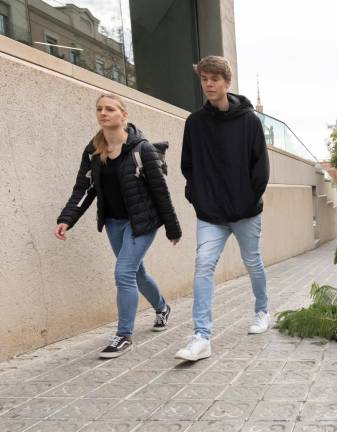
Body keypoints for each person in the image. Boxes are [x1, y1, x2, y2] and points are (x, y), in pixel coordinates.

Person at [55, 94, 182, 359]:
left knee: (123, 272)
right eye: (99, 109)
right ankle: (162, 307)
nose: (103, 113)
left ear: (123, 115)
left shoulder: (141, 149)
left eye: (110, 109)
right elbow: (84, 188)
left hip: (142, 222)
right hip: (113, 222)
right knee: (136, 273)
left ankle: (123, 335)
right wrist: (66, 219)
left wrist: (172, 228)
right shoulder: (93, 150)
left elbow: (160, 191)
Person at [174, 56, 270, 362]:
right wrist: (198, 197)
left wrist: (249, 201)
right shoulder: (195, 123)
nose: (208, 84)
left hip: (245, 211)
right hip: (211, 213)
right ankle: (201, 336)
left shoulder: (249, 121)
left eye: (214, 78)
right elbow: (187, 166)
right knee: (203, 265)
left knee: (252, 262)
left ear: (227, 83)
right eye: (204, 79)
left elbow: (261, 169)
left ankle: (262, 311)